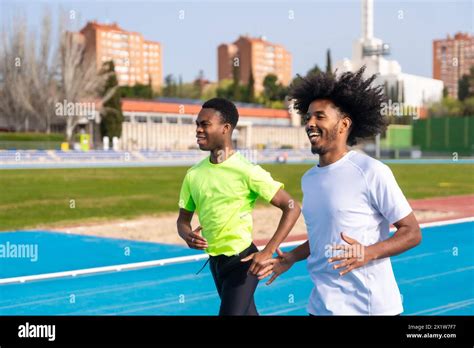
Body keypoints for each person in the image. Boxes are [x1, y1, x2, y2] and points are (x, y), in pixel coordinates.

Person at [262, 67, 421, 315]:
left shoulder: (370, 171)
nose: (310, 124)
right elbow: (323, 237)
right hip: (321, 307)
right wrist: (292, 256)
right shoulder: (309, 179)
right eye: (308, 118)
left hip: (369, 308)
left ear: (344, 124)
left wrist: (368, 253)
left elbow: (412, 232)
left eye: (320, 117)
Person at [176, 97, 301, 316]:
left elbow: (292, 206)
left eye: (204, 124)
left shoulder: (247, 171)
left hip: (243, 262)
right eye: (197, 124)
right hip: (216, 264)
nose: (198, 130)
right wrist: (187, 235)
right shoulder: (193, 175)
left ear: (225, 128)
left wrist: (269, 251)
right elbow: (182, 221)